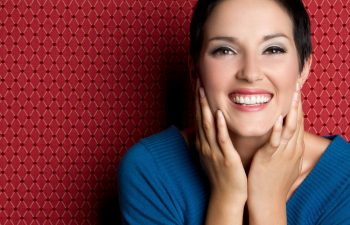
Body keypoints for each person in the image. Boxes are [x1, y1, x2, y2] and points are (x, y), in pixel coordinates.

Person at [117, 0, 350, 224]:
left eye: (273, 49)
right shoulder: (151, 171)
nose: (250, 72)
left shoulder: (344, 179)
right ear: (195, 70)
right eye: (225, 50)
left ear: (303, 68)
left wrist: (268, 201)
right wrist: (226, 197)